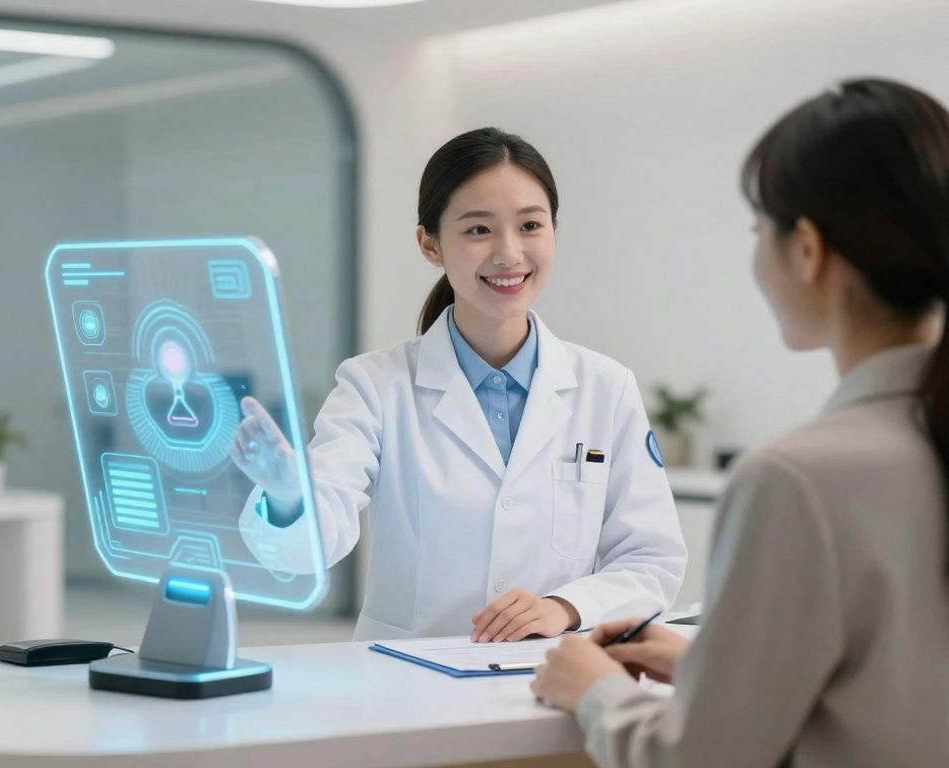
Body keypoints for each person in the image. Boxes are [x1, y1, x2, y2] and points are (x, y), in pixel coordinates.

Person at [532, 79, 949, 766]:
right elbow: (923, 696)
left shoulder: (796, 480)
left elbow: (699, 760)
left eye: (757, 230)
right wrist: (719, 670)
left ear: (806, 248)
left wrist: (592, 692)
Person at [233, 127, 686, 642]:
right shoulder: (375, 385)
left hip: (551, 679)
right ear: (430, 244)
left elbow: (653, 560)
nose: (509, 254)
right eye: (478, 231)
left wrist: (565, 606)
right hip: (406, 685)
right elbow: (312, 542)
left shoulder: (606, 388)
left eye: (531, 225)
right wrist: (289, 497)